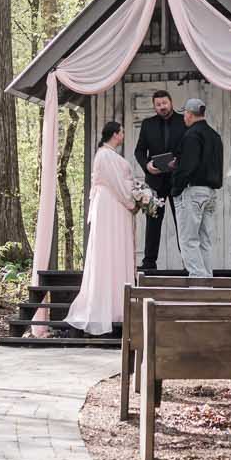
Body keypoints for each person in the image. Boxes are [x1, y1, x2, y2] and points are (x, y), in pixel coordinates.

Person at [63, 120, 149, 335]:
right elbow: (119, 185)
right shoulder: (105, 155)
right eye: (121, 133)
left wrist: (137, 194)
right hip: (111, 205)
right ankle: (107, 305)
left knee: (117, 249)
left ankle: (118, 304)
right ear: (114, 134)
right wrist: (135, 199)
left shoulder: (108, 155)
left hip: (114, 205)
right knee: (108, 248)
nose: (123, 136)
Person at [170, 96, 224, 277]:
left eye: (184, 114)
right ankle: (207, 277)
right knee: (204, 240)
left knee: (188, 240)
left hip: (192, 193)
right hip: (210, 193)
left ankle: (199, 282)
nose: (183, 118)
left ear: (189, 114)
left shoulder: (192, 135)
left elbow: (189, 166)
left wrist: (176, 188)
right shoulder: (215, 136)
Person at [133, 89, 182, 272]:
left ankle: (188, 261)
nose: (162, 107)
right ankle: (149, 264)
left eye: (165, 103)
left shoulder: (183, 121)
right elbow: (139, 151)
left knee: (182, 224)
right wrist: (147, 165)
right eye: (158, 104)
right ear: (154, 107)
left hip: (178, 182)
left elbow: (189, 147)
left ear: (171, 102)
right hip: (154, 182)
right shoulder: (147, 124)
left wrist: (180, 162)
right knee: (153, 224)